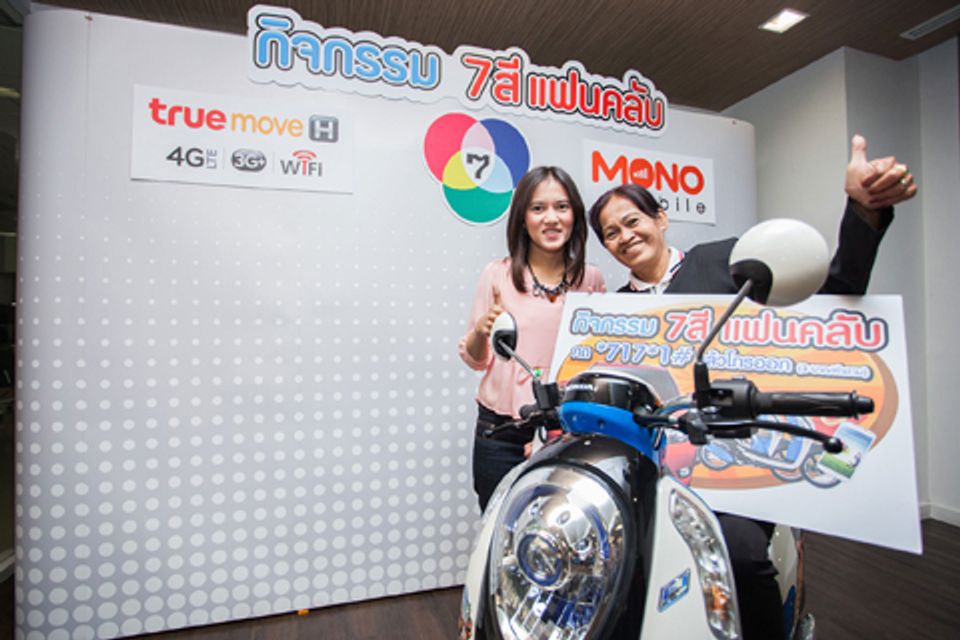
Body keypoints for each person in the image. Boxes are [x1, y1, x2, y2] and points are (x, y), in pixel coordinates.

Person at [587, 135, 916, 640]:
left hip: (738, 461)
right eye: (611, 233)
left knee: (738, 555)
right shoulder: (612, 311)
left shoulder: (728, 260)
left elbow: (832, 298)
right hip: (657, 464)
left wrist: (863, 212)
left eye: (632, 221)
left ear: (661, 218)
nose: (625, 237)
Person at [460, 166, 606, 511]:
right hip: (501, 432)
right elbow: (476, 360)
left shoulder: (591, 279)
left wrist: (555, 433)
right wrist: (481, 330)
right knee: (499, 525)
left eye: (562, 207)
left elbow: (594, 362)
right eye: (538, 208)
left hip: (566, 430)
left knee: (563, 526)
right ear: (523, 219)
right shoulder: (497, 274)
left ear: (575, 216)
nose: (551, 218)